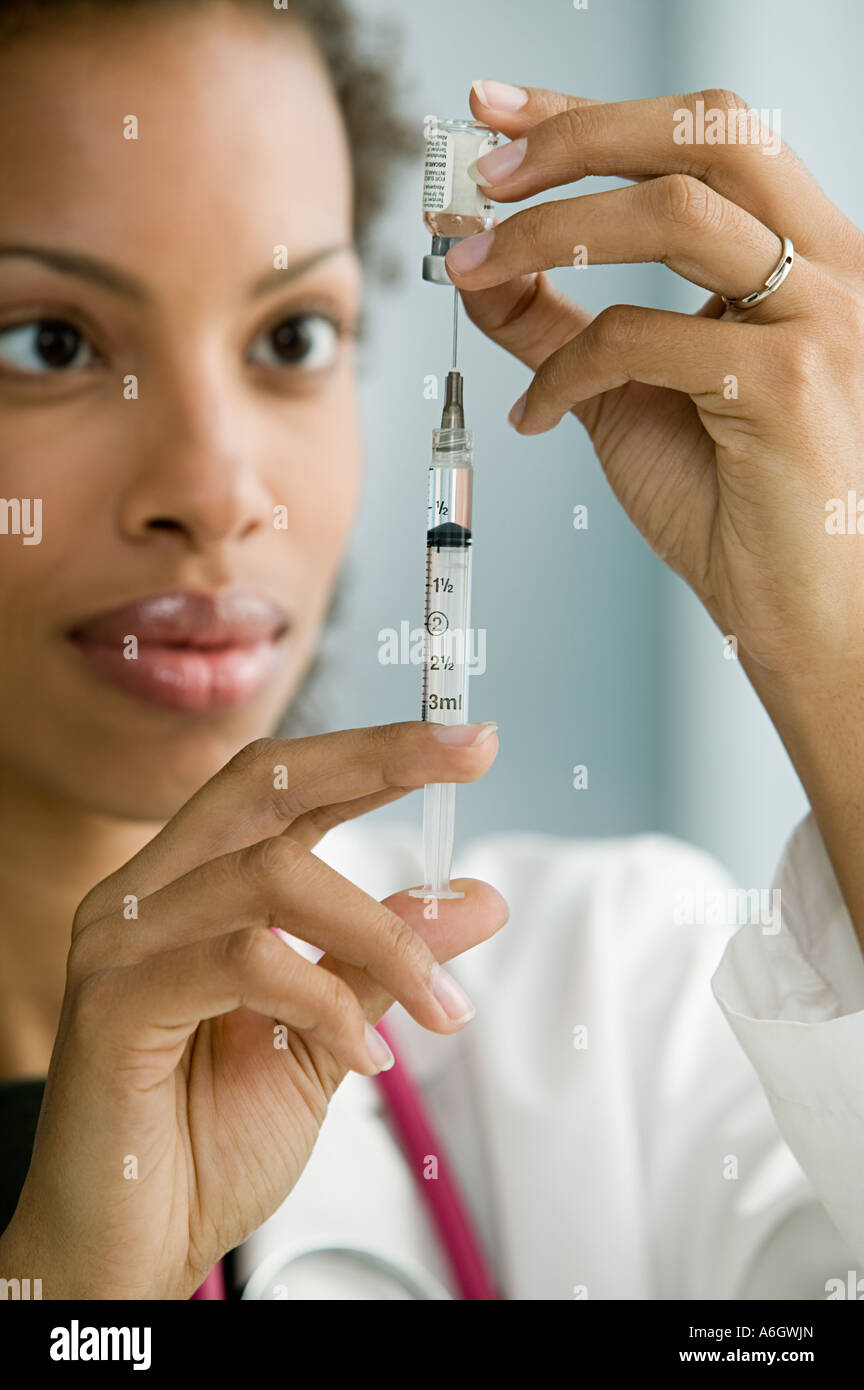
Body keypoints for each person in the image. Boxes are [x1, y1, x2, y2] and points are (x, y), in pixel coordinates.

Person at [0, 0, 862, 1301]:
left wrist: (838, 650)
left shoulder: (607, 1004)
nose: (219, 486)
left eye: (292, 336)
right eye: (49, 342)